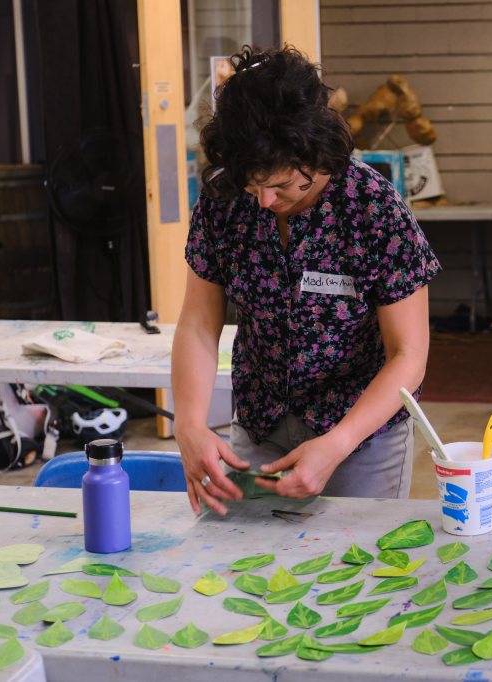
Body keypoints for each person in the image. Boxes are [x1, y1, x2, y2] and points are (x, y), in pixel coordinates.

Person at [172, 46, 440, 515]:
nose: (263, 202)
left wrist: (337, 443)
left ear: (317, 155)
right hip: (260, 422)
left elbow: (408, 355)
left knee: (356, 573)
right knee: (247, 564)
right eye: (253, 186)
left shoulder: (373, 208)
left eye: (281, 187)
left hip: (362, 435)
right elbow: (197, 325)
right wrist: (190, 426)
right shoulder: (224, 199)